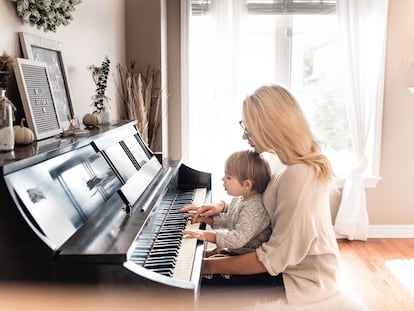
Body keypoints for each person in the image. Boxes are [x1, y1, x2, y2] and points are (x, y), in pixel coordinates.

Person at [180, 84, 340, 305]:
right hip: (278, 263)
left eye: (249, 128)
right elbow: (258, 206)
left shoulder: (299, 175)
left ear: (271, 127)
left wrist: (204, 265)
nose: (244, 135)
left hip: (298, 279)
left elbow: (271, 259)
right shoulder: (278, 160)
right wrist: (221, 208)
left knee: (193, 290)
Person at [182, 150, 271, 258]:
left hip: (245, 255)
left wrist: (205, 235)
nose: (223, 179)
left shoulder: (255, 208)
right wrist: (207, 219)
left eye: (228, 177)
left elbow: (237, 239)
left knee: (200, 263)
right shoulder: (241, 198)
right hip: (237, 250)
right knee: (198, 256)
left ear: (247, 184)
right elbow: (231, 220)